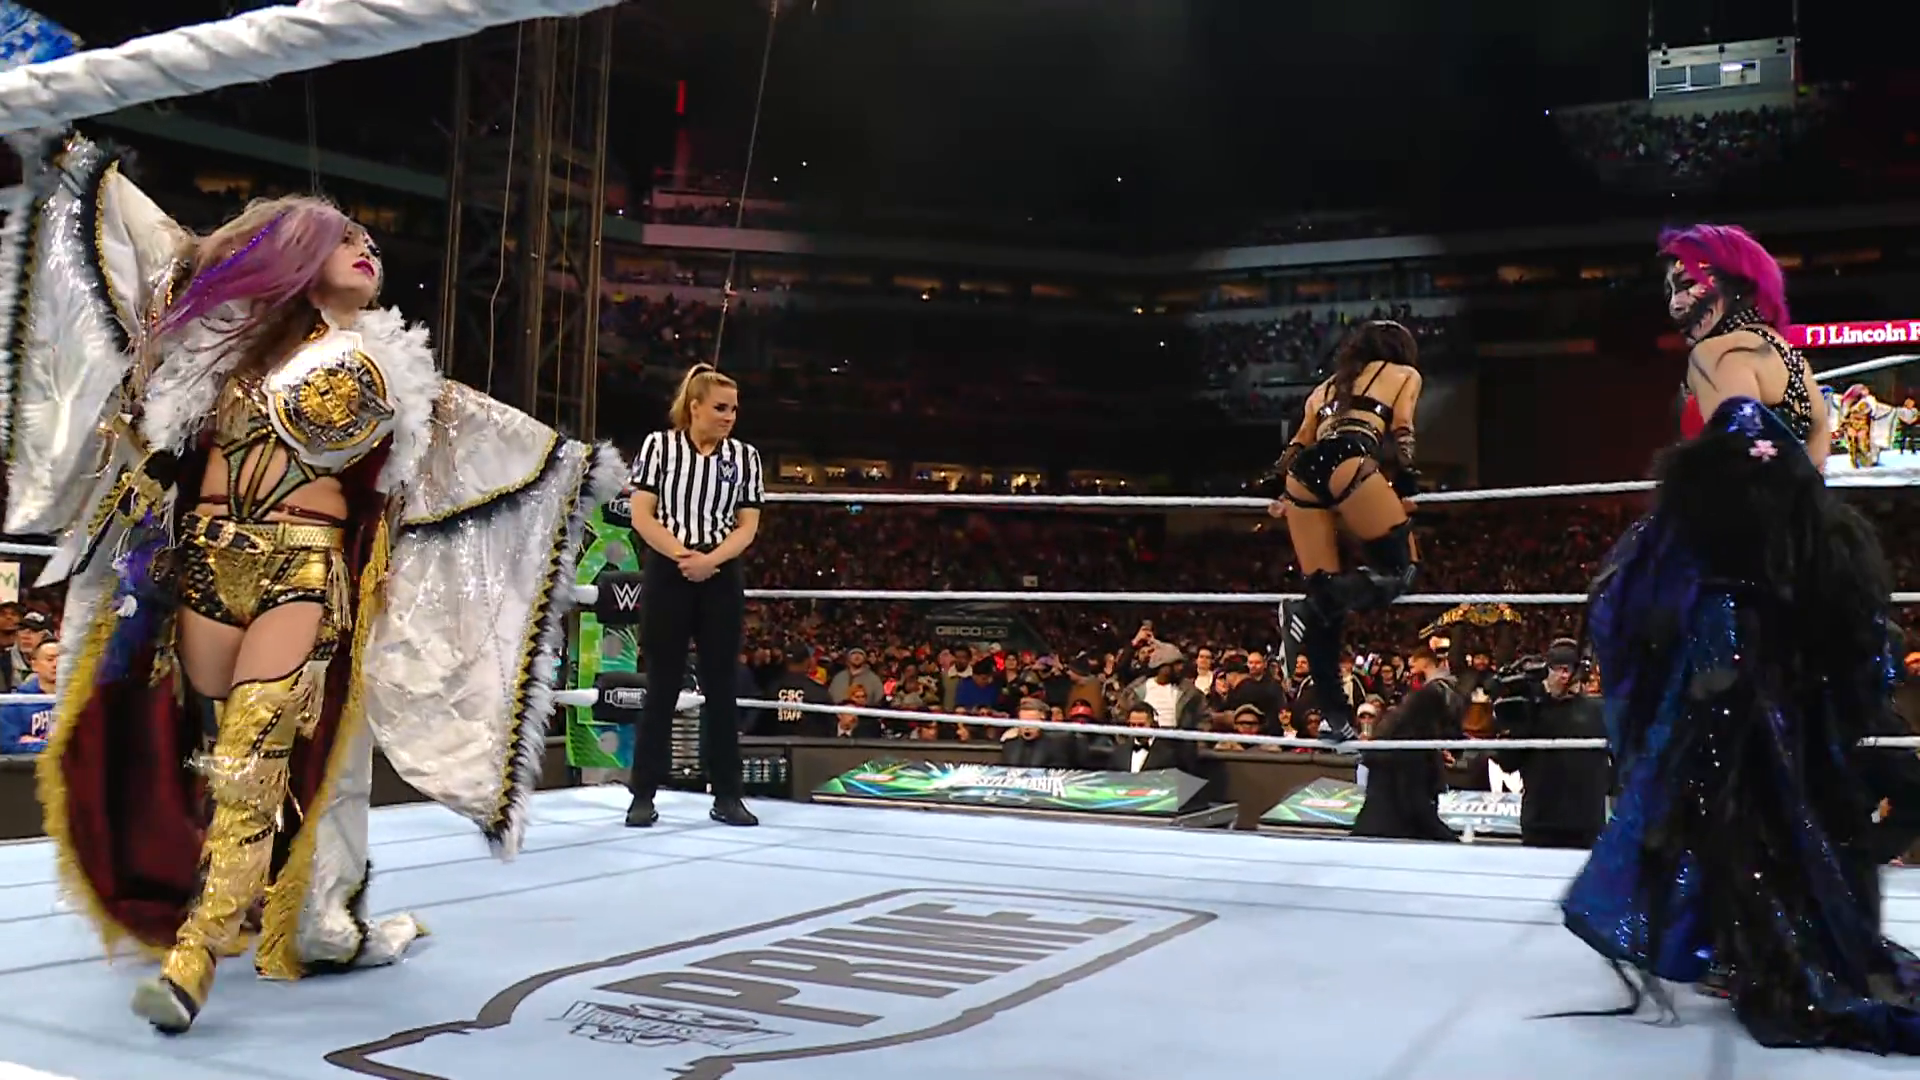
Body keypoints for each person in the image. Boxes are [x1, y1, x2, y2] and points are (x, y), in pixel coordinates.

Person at [0, 134, 622, 1033]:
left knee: (253, 760)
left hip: (303, 573)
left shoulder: (400, 371)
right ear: (296, 254)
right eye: (346, 238)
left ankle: (193, 959)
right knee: (198, 754)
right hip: (202, 568)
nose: (368, 249)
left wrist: (585, 469)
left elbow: (493, 447)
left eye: (372, 243)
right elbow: (146, 244)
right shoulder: (219, 345)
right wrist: (67, 150)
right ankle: (248, 897)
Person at [1559, 224, 1920, 1051]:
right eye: (1670, 283)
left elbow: (1741, 467)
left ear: (1729, 284)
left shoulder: (1717, 352)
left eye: (1688, 280)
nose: (1675, 297)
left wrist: (1682, 551)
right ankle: (1756, 936)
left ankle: (1753, 947)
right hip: (1798, 588)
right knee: (1780, 765)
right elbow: (1808, 480)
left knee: (1717, 764)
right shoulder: (1797, 364)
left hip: (1732, 588)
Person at [1267, 321, 1425, 741]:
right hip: (1348, 458)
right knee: (1403, 570)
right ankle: (1309, 605)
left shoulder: (1325, 388)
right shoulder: (1404, 374)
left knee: (1325, 602)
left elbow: (1296, 447)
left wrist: (1276, 491)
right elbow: (1403, 431)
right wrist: (1408, 484)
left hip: (1303, 475)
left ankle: (1335, 719)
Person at [622, 364, 763, 830]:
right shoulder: (658, 447)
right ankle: (643, 794)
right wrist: (684, 556)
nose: (729, 417)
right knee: (662, 683)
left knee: (722, 686)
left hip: (720, 571)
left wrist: (710, 560)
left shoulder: (745, 457)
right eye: (720, 408)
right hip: (670, 568)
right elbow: (642, 515)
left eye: (734, 409)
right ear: (695, 407)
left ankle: (727, 795)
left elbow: (748, 525)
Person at [1488, 640, 1609, 850]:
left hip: (1585, 824)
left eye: (1568, 669)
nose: (1563, 676)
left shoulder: (1598, 711)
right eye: (1557, 669)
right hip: (1541, 822)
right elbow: (1508, 761)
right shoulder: (1530, 709)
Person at [0, 640, 57, 754]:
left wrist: (36, 742)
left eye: (62, 660)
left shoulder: (83, 700)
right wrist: (47, 747)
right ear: (34, 665)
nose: (56, 664)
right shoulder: (16, 704)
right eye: (50, 660)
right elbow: (6, 744)